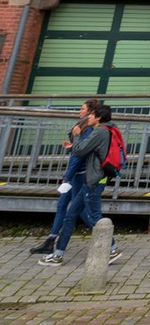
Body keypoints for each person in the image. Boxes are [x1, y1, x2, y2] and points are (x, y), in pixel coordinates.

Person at [38, 104, 122, 267]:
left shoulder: (100, 131)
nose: (87, 118)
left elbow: (81, 150)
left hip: (93, 181)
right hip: (92, 180)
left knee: (94, 216)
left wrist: (76, 137)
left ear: (97, 118)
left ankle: (112, 249)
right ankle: (58, 254)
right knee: (70, 216)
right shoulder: (106, 131)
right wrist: (75, 146)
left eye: (91, 115)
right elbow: (88, 150)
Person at [29, 97, 102, 256]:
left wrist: (67, 176)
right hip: (74, 174)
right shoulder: (82, 127)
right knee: (62, 205)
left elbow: (80, 155)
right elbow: (79, 150)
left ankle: (106, 240)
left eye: (82, 109)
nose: (79, 111)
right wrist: (71, 147)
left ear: (90, 112)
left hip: (78, 175)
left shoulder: (87, 129)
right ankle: (50, 240)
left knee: (77, 210)